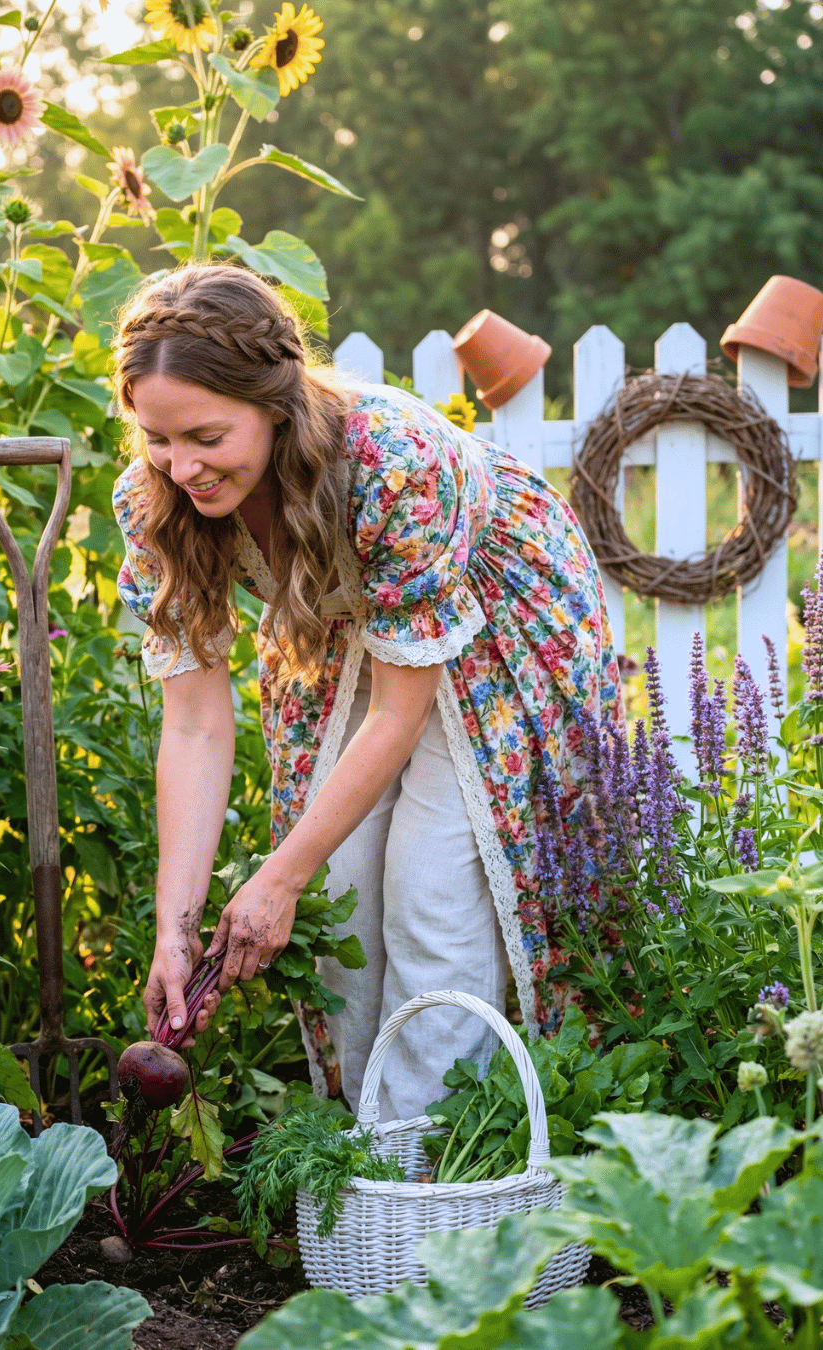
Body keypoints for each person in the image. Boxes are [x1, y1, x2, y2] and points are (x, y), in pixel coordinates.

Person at [111, 263, 622, 1120]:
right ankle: (368, 1153)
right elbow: (195, 728)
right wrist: (177, 926)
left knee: (433, 897)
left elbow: (398, 710)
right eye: (158, 438)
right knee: (341, 895)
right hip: (349, 623)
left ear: (274, 405)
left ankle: (437, 1172)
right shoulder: (155, 501)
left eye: (206, 436)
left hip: (499, 621)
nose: (183, 467)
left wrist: (276, 879)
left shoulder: (393, 461)